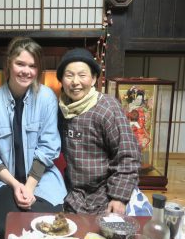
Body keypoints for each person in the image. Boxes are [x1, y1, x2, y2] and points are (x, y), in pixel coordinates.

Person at [0, 37, 67, 239]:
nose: (26, 71)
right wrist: (15, 184)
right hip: (5, 179)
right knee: (4, 232)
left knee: (47, 229)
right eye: (20, 64)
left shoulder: (47, 97)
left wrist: (29, 186)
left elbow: (49, 147)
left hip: (40, 179)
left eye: (32, 66)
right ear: (9, 64)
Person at [57, 48, 142, 215]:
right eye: (69, 75)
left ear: (94, 78)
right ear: (61, 79)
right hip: (71, 191)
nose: (75, 82)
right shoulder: (60, 109)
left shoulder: (107, 108)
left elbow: (128, 155)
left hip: (105, 191)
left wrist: (118, 196)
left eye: (82, 75)